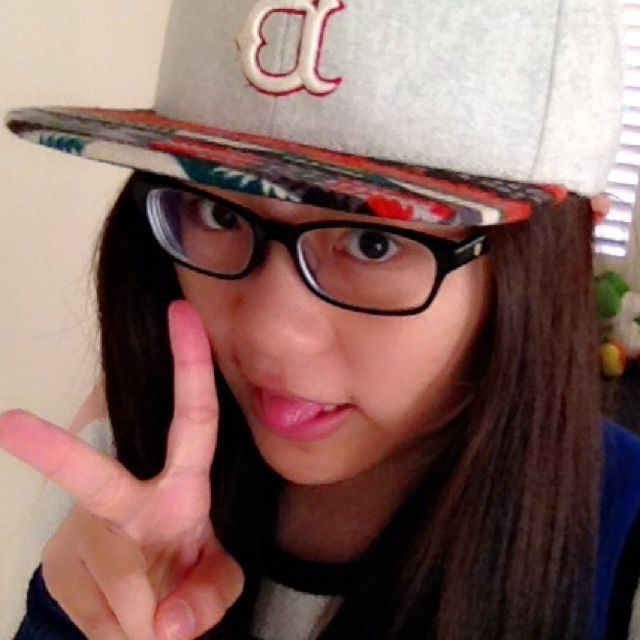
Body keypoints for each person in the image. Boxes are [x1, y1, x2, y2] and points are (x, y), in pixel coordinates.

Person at [0, 1, 637, 639]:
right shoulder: (125, 486)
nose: (267, 334)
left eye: (373, 244)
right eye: (218, 215)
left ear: (559, 250)